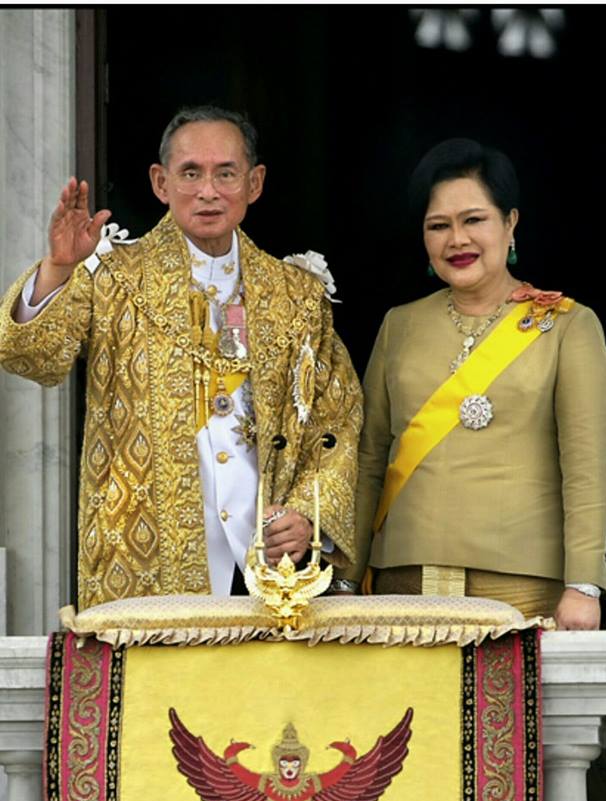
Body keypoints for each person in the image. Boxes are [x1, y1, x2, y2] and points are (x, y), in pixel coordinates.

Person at [0, 105, 362, 608]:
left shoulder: (297, 294)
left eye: (226, 173)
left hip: (266, 568)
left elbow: (337, 423)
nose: (208, 191)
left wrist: (306, 514)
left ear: (254, 183)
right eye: (190, 173)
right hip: (140, 558)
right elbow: (30, 357)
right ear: (160, 182)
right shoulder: (112, 276)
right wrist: (60, 268)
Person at [338, 138, 606, 629]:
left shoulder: (568, 326)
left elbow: (587, 470)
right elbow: (368, 462)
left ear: (510, 224)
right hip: (402, 582)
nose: (456, 240)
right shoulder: (399, 325)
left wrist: (583, 584)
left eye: (474, 220)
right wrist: (344, 578)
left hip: (519, 586)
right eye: (438, 226)